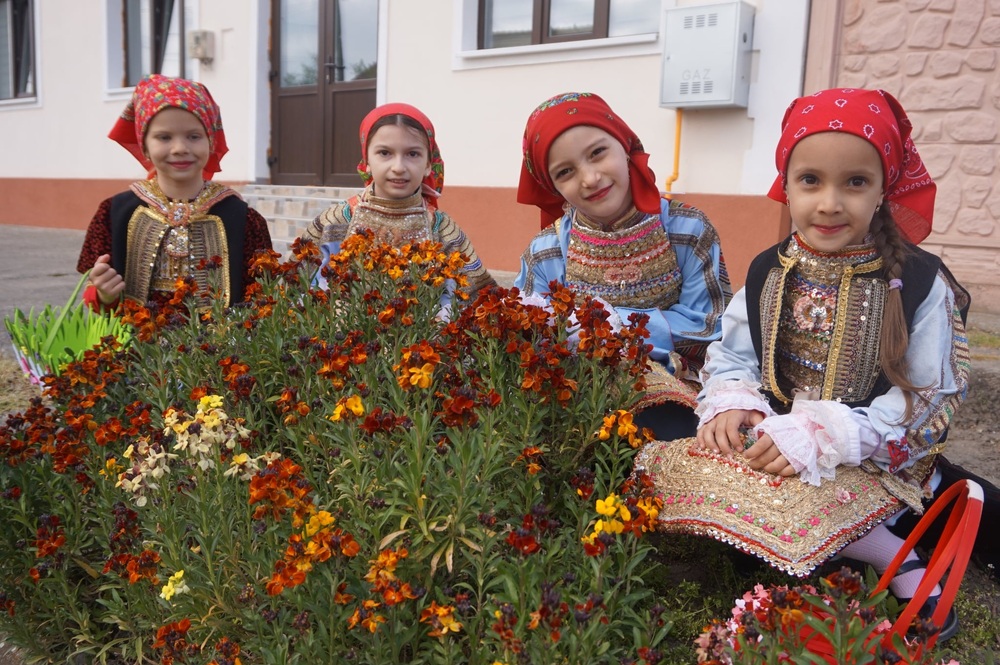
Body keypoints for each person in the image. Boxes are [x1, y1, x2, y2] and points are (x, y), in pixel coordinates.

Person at [636, 88, 970, 640]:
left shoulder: (916, 281)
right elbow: (734, 354)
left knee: (809, 491)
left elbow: (927, 400)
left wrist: (825, 436)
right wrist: (736, 403)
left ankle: (894, 555)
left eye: (855, 182)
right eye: (810, 180)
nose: (830, 202)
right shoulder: (771, 268)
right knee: (667, 465)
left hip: (872, 453)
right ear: (786, 186)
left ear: (884, 188)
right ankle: (782, 541)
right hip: (778, 437)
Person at [514, 92, 731, 441]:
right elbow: (528, 335)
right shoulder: (545, 252)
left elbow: (711, 323)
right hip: (577, 399)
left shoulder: (688, 229)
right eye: (566, 172)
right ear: (551, 186)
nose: (589, 178)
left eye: (597, 153)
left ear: (625, 146)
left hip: (674, 394)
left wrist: (613, 323)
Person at [77, 75, 272, 310]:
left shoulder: (244, 220)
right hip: (135, 345)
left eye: (194, 136)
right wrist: (104, 295)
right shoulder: (114, 214)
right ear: (144, 145)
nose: (180, 148)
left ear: (211, 142)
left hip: (220, 346)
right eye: (164, 137)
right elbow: (93, 300)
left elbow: (264, 301)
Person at [300, 103, 494, 302]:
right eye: (385, 153)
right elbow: (298, 293)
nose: (399, 167)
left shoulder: (443, 230)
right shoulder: (335, 222)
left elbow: (476, 297)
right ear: (366, 160)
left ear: (428, 164)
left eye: (412, 154)